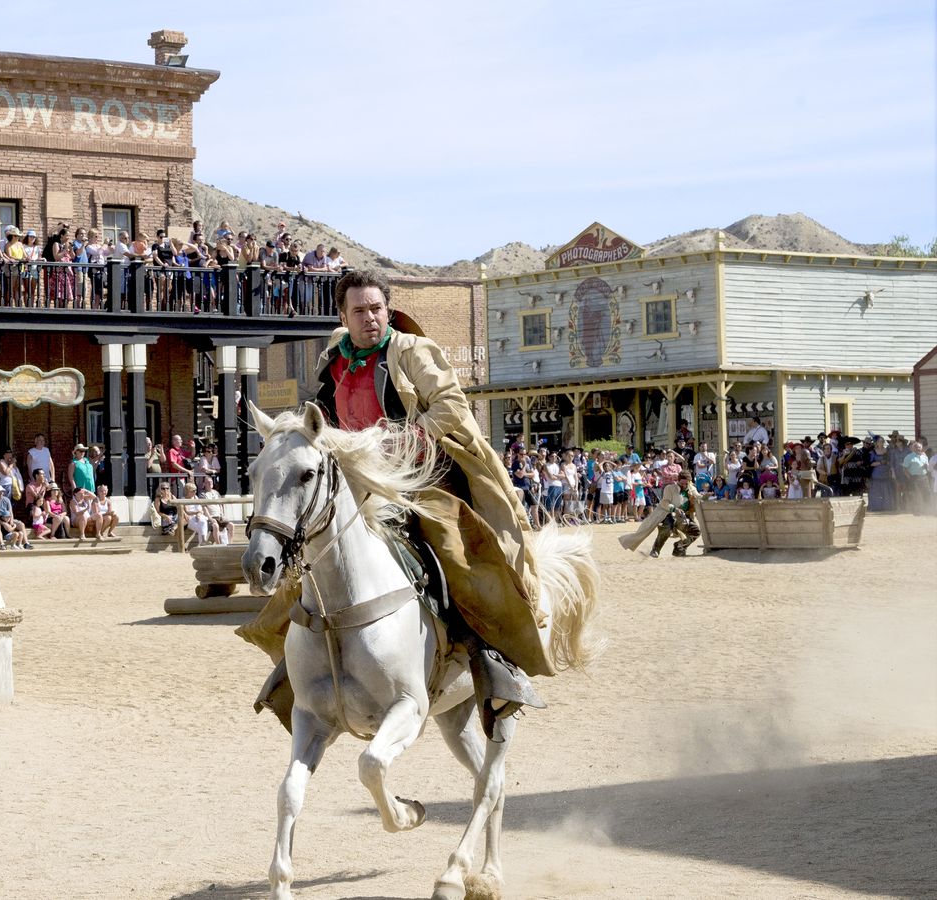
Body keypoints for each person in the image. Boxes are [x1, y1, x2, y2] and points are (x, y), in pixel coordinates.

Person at [240, 269, 574, 736]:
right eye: (359, 310)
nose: (370, 317)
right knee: (310, 556)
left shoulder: (410, 352)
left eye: (376, 308)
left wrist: (407, 437)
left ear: (387, 309)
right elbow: (322, 422)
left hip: (420, 479)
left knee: (453, 556)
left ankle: (488, 661)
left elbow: (452, 405)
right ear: (343, 316)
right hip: (357, 486)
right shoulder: (335, 362)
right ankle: (296, 669)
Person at [642, 471, 701, 558]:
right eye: (682, 483)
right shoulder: (669, 488)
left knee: (696, 531)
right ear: (678, 480)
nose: (684, 485)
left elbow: (698, 496)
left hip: (685, 515)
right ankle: (655, 550)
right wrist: (674, 509)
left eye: (686, 483)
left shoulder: (692, 488)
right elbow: (665, 502)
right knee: (666, 530)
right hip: (668, 513)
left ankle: (679, 547)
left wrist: (705, 496)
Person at [0, 485, 29, 549]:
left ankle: (26, 543)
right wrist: (3, 523)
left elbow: (10, 512)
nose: (2, 493)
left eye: (2, 491)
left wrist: (11, 521)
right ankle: (2, 544)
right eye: (0, 492)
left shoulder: (6, 499)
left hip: (7, 518)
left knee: (21, 524)